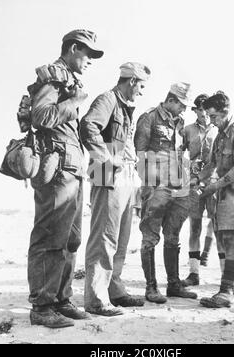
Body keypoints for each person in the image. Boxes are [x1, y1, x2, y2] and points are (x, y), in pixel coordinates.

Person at [28, 29, 104, 328]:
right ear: (73, 48)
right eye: (88, 54)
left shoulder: (70, 81)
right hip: (57, 169)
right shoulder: (55, 78)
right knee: (50, 238)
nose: (90, 61)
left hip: (72, 170)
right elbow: (41, 117)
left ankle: (61, 299)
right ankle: (42, 307)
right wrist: (74, 102)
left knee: (70, 239)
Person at [80, 62, 151, 316]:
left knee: (121, 238)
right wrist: (108, 159)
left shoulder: (125, 105)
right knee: (104, 238)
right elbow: (87, 126)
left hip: (126, 175)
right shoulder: (108, 99)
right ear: (131, 81)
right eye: (141, 86)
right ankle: (97, 299)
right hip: (108, 172)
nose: (141, 92)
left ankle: (114, 289)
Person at [134, 83, 198, 304]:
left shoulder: (180, 123)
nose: (184, 110)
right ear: (171, 100)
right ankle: (151, 288)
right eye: (182, 105)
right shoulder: (148, 117)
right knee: (150, 238)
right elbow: (140, 155)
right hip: (156, 187)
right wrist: (150, 186)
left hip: (177, 187)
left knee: (173, 236)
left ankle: (173, 285)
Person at [197, 91, 234, 308]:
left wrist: (213, 185)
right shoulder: (220, 134)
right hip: (223, 191)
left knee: (230, 238)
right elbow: (212, 166)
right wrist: (196, 179)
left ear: (225, 112)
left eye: (213, 117)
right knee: (223, 238)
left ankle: (226, 293)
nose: (211, 121)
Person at [180, 94, 219, 286]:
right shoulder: (187, 130)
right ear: (195, 110)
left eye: (206, 109)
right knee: (194, 227)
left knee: (218, 226)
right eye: (200, 109)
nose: (203, 113)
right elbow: (177, 154)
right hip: (194, 184)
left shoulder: (219, 130)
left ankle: (225, 276)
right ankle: (194, 273)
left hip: (213, 184)